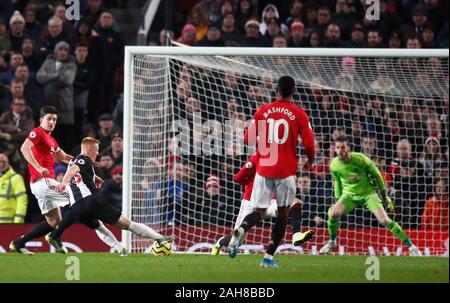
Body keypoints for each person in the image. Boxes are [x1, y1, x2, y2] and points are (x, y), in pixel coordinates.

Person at [227, 75, 316, 268]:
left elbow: (248, 139)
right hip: (285, 170)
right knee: (284, 214)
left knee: (258, 211)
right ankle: (267, 258)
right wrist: (310, 161)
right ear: (293, 92)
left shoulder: (262, 111)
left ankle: (242, 229)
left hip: (264, 169)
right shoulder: (299, 114)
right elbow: (309, 143)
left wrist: (266, 144)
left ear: (276, 91)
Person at [9, 106, 122, 255]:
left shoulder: (51, 140)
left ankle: (18, 244)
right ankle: (112, 243)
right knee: (82, 199)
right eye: (49, 119)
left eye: (54, 119)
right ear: (41, 119)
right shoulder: (38, 133)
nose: (52, 122)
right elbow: (24, 148)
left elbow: (64, 158)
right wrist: (37, 167)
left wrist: (87, 164)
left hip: (41, 184)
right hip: (43, 181)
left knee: (53, 222)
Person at [45, 137, 174, 252]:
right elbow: (75, 170)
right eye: (96, 151)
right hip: (90, 201)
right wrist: (63, 182)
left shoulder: (74, 161)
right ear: (89, 150)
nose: (97, 153)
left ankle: (119, 248)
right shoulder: (84, 159)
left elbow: (77, 172)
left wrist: (95, 178)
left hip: (77, 209)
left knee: (99, 227)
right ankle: (160, 238)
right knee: (128, 224)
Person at [319, 136, 422, 256]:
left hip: (368, 195)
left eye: (343, 147)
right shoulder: (334, 165)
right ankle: (332, 242)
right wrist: (337, 200)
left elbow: (377, 175)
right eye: (338, 147)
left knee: (385, 221)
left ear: (348, 148)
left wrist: (384, 196)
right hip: (349, 196)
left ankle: (412, 247)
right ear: (335, 149)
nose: (340, 150)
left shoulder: (361, 159)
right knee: (332, 214)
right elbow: (337, 182)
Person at [211, 153, 314, 255]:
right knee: (239, 241)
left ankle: (296, 234)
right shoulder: (256, 158)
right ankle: (220, 242)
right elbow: (238, 179)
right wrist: (248, 170)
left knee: (295, 202)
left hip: (270, 200)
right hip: (250, 202)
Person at [0, 153, 27, 223]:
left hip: (9, 224)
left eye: (4, 162)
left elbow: (22, 202)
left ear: (8, 163)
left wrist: (18, 222)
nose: (1, 164)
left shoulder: (16, 178)